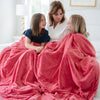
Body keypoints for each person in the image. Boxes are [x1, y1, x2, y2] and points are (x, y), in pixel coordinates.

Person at [35, 14, 99, 100]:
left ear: (75, 24)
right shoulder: (69, 34)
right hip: (61, 51)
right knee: (46, 54)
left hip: (74, 55)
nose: (67, 24)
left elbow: (88, 50)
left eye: (69, 23)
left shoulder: (84, 36)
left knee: (69, 55)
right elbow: (62, 45)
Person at [0, 13, 50, 100]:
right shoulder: (29, 31)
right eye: (42, 20)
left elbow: (42, 45)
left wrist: (40, 48)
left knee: (31, 54)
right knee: (8, 52)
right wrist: (35, 48)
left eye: (45, 20)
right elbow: (27, 44)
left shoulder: (45, 33)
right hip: (26, 46)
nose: (44, 22)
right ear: (36, 21)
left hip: (36, 48)